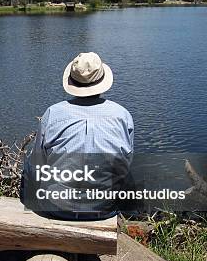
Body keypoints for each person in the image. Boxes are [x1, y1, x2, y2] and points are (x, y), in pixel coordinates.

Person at [21, 52, 134, 220]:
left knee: (31, 164)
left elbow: (39, 163)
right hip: (106, 208)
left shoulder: (53, 113)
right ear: (102, 82)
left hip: (56, 206)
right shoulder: (122, 115)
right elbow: (128, 162)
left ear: (72, 81)